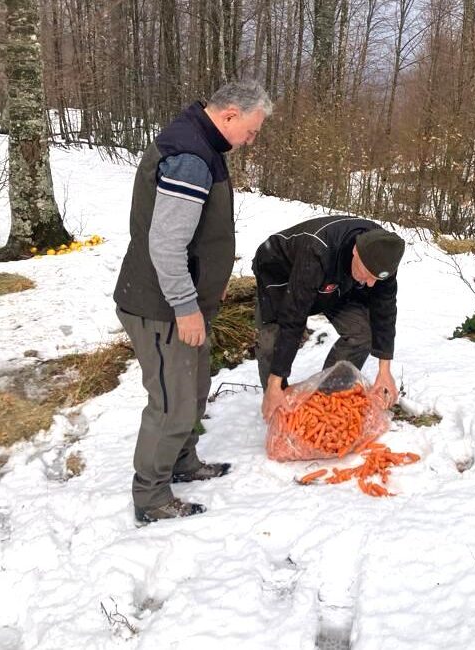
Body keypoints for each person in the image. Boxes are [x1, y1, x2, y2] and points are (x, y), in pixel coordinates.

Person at [114, 80, 272, 524]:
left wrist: (210, 283)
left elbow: (197, 234)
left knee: (193, 390)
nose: (250, 140)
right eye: (252, 131)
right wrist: (185, 306)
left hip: (185, 302)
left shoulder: (201, 144)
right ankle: (151, 497)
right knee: (171, 402)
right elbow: (165, 245)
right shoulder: (190, 157)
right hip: (161, 306)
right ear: (228, 116)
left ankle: (182, 462)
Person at [252, 216, 406, 422]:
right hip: (282, 272)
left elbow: (384, 310)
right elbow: (293, 317)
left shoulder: (383, 256)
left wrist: (384, 370)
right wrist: (275, 381)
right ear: (355, 252)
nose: (370, 284)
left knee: (361, 334)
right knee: (272, 342)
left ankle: (325, 398)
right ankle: (277, 404)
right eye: (367, 274)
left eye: (376, 279)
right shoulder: (317, 249)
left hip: (339, 280)